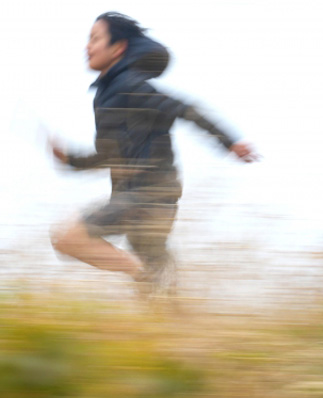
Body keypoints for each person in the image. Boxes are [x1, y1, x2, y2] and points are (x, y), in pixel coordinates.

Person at [49, 12, 258, 286]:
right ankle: (169, 305)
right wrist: (71, 159)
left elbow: (185, 109)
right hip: (147, 199)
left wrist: (229, 141)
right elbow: (111, 156)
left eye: (95, 39)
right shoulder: (107, 94)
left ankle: (146, 276)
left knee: (69, 239)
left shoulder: (129, 86)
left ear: (118, 48)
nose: (87, 47)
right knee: (160, 291)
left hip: (147, 197)